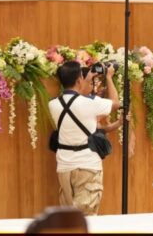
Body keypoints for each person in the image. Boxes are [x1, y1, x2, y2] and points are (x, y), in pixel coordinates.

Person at [48, 60, 119, 216]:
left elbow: (74, 101)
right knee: (87, 218)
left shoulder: (53, 104)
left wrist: (84, 81)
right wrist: (109, 77)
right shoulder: (89, 103)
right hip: (87, 165)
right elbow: (115, 103)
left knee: (69, 218)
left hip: (64, 167)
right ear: (79, 80)